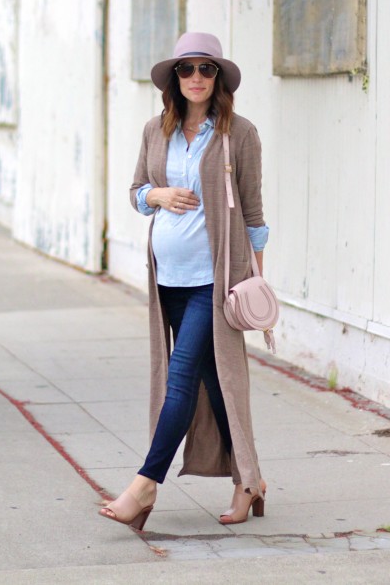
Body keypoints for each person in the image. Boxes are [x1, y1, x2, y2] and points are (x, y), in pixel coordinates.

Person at [99, 32, 269, 531]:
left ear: (218, 77)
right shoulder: (157, 130)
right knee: (214, 385)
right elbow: (135, 192)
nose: (196, 77)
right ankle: (250, 480)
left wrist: (258, 276)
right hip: (167, 279)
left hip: (214, 282)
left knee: (178, 382)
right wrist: (160, 194)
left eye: (206, 68)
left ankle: (145, 485)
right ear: (175, 77)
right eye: (187, 69)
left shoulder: (239, 133)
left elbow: (253, 210)